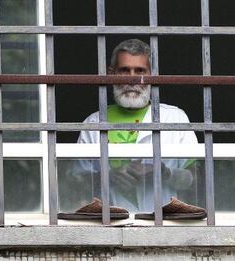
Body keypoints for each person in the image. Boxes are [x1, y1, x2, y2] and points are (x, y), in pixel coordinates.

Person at [76, 39, 198, 212]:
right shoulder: (92, 124)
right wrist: (107, 177)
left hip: (163, 225)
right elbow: (75, 182)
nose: (132, 79)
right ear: (111, 74)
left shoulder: (175, 118)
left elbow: (197, 180)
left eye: (139, 71)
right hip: (108, 224)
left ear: (152, 75)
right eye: (124, 70)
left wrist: (164, 173)